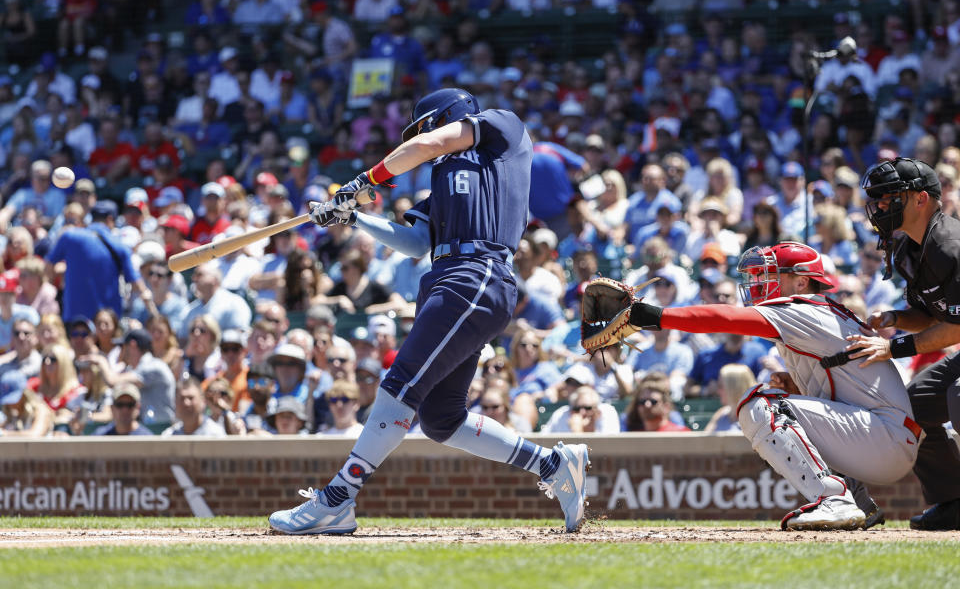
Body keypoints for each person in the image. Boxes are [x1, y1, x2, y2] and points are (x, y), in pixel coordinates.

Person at [269, 87, 588, 535]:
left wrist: (364, 182)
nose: (423, 136)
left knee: (400, 384)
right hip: (448, 275)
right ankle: (553, 464)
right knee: (442, 419)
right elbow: (415, 242)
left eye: (427, 125)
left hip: (476, 272)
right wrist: (351, 217)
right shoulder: (444, 179)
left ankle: (338, 498)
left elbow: (429, 144)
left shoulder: (502, 129)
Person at [615, 242, 917, 530]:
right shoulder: (817, 310)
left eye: (770, 275)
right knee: (785, 401)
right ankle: (859, 503)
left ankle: (833, 499)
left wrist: (653, 316)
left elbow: (726, 318)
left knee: (760, 403)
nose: (759, 282)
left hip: (883, 436)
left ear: (801, 282)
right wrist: (800, 388)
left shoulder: (803, 308)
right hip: (883, 434)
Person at [848, 158, 960, 530]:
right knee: (910, 407)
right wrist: (894, 320)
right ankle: (953, 501)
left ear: (921, 200)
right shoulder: (908, 250)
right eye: (877, 199)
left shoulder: (950, 245)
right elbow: (931, 314)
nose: (880, 206)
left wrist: (892, 348)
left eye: (889, 197)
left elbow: (956, 328)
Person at [45, 200, 151, 321]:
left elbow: (48, 266)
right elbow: (137, 285)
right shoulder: (120, 246)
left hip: (74, 320)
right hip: (107, 324)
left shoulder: (69, 236)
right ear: (110, 219)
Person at [162, 375, 227, 436]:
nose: (186, 403)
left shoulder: (216, 435)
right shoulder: (169, 436)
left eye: (191, 398)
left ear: (203, 401)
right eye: (182, 398)